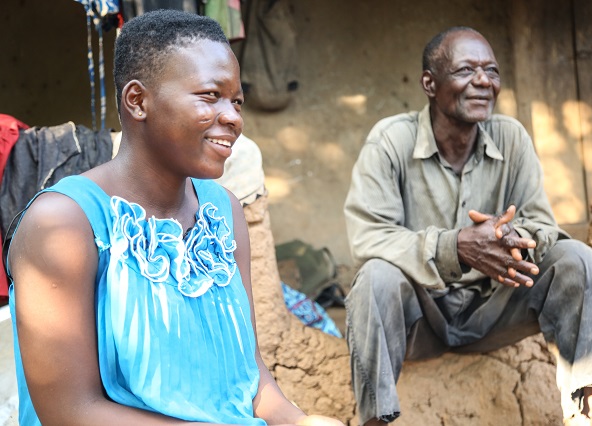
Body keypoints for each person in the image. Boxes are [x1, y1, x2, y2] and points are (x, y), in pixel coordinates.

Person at [7, 10, 343, 426]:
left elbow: (250, 377)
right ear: (138, 100)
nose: (234, 117)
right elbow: (70, 412)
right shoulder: (64, 225)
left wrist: (300, 421)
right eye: (209, 95)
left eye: (236, 100)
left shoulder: (223, 211)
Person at [343, 26, 592, 426]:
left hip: (497, 312)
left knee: (575, 258)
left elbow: (543, 224)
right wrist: (454, 246)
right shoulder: (390, 142)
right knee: (375, 277)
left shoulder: (511, 138)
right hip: (421, 321)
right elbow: (369, 237)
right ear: (430, 83)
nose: (483, 81)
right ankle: (374, 421)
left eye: (491, 70)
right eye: (465, 70)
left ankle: (589, 416)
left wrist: (515, 237)